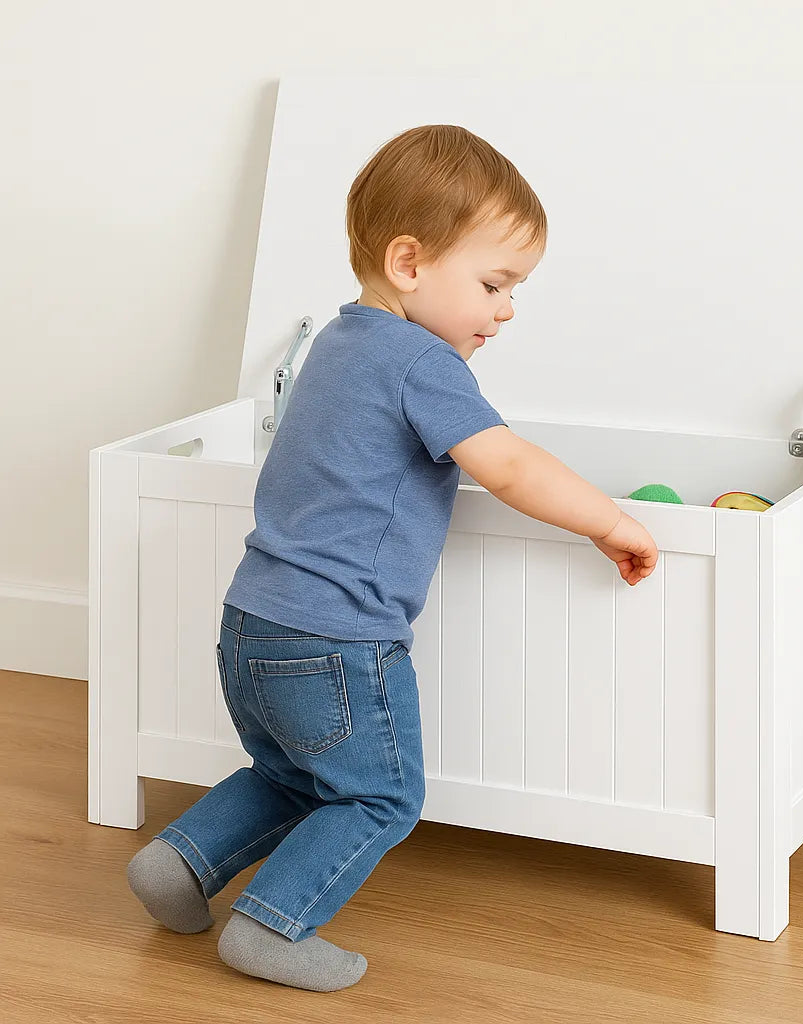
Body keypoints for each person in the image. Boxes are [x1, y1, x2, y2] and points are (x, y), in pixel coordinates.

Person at [125, 123, 659, 993]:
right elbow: (510, 466)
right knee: (380, 795)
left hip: (251, 624)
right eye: (495, 284)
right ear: (408, 264)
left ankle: (177, 864)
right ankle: (272, 926)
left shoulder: (332, 348)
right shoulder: (423, 362)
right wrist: (606, 522)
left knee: (291, 774)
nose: (507, 311)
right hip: (340, 640)